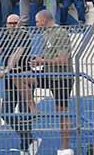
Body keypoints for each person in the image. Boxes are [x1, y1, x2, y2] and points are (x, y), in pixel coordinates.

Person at [0, 15, 38, 155]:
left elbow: (17, 55)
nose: (13, 26)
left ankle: (25, 146)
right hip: (10, 79)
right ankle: (28, 139)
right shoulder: (4, 35)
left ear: (19, 23)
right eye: (10, 23)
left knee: (24, 113)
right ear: (6, 24)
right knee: (5, 112)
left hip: (23, 76)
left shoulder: (24, 35)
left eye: (15, 23)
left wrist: (6, 70)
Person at [28, 10, 74, 154]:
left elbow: (63, 60)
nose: (36, 24)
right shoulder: (45, 34)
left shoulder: (60, 33)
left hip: (62, 77)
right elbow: (48, 53)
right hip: (48, 74)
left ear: (44, 19)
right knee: (21, 77)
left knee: (62, 113)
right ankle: (33, 107)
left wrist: (43, 60)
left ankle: (65, 147)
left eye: (37, 21)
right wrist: (39, 59)